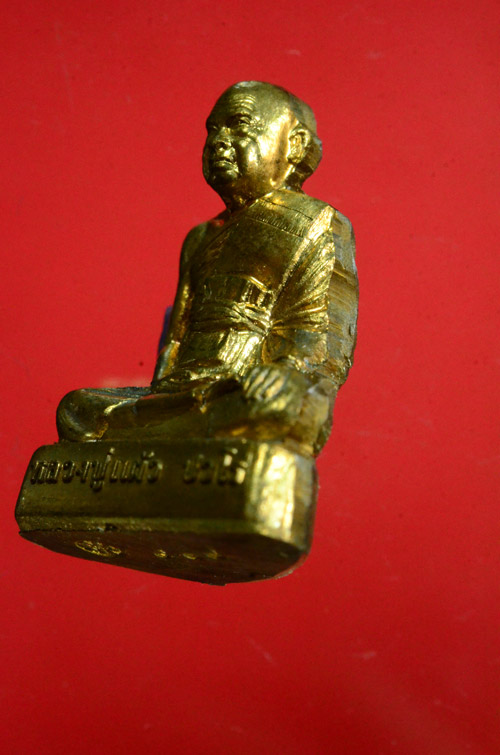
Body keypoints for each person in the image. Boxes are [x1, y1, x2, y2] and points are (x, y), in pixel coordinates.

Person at [57, 81, 358, 456]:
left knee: (275, 408)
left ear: (294, 145)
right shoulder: (200, 238)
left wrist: (286, 373)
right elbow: (176, 342)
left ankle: (176, 436)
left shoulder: (316, 222)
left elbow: (321, 341)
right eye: (212, 130)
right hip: (186, 393)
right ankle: (174, 433)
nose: (218, 142)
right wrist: (161, 393)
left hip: (248, 390)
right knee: (77, 410)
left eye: (239, 125)